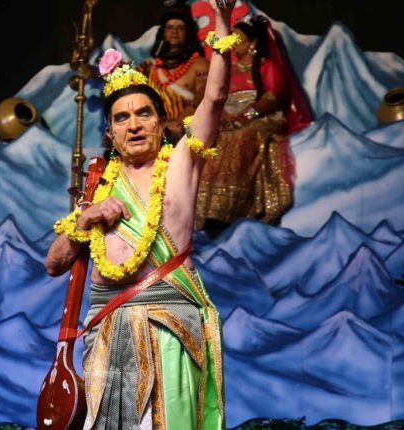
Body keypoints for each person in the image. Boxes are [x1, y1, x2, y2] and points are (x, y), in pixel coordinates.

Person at [45, 2, 238, 429]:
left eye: (143, 113)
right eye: (122, 117)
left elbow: (215, 98)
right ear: (110, 132)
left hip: (168, 328)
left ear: (161, 123)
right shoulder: (97, 185)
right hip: (106, 334)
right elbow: (54, 264)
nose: (133, 124)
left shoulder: (182, 163)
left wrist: (223, 24)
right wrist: (86, 219)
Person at [195, 15, 313, 235]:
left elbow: (271, 98)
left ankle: (232, 209)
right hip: (231, 118)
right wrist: (224, 118)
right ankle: (207, 210)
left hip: (261, 118)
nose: (234, 43)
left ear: (253, 42)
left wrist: (245, 116)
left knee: (240, 137)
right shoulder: (228, 69)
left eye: (239, 38)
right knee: (210, 139)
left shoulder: (268, 67)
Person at [138, 7, 210, 138]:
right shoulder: (149, 67)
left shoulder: (199, 63)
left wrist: (192, 108)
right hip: (153, 131)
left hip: (187, 130)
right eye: (170, 27)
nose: (174, 32)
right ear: (163, 33)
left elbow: (205, 90)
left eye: (180, 28)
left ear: (188, 33)